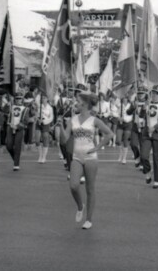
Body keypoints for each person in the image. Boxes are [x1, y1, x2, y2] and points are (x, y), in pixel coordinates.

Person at [59, 91, 113, 229]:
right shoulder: (73, 119)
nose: (75, 103)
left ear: (84, 104)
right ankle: (79, 206)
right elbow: (65, 139)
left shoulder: (94, 120)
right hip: (77, 157)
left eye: (77, 101)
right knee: (73, 185)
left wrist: (98, 147)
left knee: (90, 189)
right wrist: (60, 125)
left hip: (90, 158)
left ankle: (88, 219)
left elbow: (109, 134)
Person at [140, 85, 158, 188]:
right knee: (143, 155)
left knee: (157, 157)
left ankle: (157, 180)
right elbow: (141, 116)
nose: (153, 95)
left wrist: (155, 127)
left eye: (156, 93)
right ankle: (148, 172)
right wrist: (143, 109)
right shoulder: (147, 103)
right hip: (146, 133)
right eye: (153, 92)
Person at [6, 93, 31, 171]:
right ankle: (15, 158)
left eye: (20, 98)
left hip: (19, 128)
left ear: (22, 99)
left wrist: (17, 126)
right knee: (8, 145)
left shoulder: (25, 109)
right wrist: (6, 105)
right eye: (17, 98)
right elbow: (4, 111)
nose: (18, 100)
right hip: (10, 127)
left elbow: (26, 120)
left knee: (17, 146)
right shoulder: (11, 107)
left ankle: (16, 164)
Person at [36, 94, 54, 164]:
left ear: (47, 99)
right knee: (37, 140)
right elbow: (37, 114)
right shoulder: (39, 106)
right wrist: (38, 119)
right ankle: (40, 155)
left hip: (46, 124)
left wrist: (45, 121)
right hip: (39, 123)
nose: (43, 99)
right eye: (42, 98)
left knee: (45, 138)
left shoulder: (50, 108)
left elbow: (51, 117)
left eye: (44, 98)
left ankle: (44, 157)